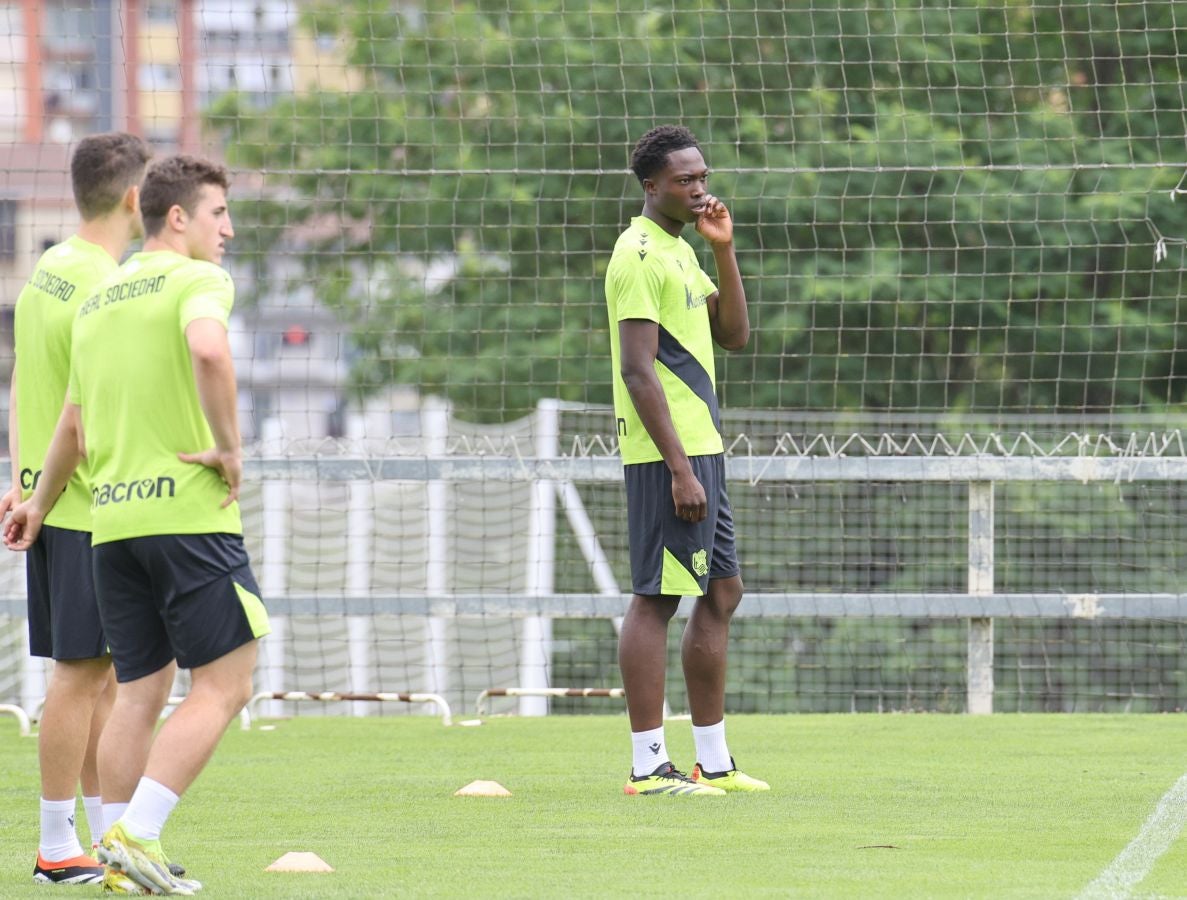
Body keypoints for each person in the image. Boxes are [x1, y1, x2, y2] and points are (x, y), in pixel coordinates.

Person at [6, 154, 269, 895]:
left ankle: (117, 851)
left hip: (111, 526)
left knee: (139, 689)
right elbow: (210, 349)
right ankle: (134, 831)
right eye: (219, 213)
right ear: (176, 217)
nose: (229, 230)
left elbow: (72, 420)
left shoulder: (98, 294)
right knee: (226, 683)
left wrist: (34, 498)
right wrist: (228, 446)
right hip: (186, 515)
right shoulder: (197, 280)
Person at [1, 132, 150, 885]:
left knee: (106, 678)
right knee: (79, 677)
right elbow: (87, 415)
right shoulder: (105, 285)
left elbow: (27, 371)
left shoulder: (49, 268)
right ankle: (56, 845)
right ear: (134, 198)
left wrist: (24, 482)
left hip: (53, 498)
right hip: (88, 505)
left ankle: (101, 837)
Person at [605, 125, 768, 796]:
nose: (698, 188)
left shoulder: (677, 250)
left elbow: (734, 336)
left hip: (704, 446)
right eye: (684, 180)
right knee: (657, 596)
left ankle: (713, 760)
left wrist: (723, 251)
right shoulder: (638, 254)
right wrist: (677, 467)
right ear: (651, 187)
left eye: (701, 176)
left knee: (722, 591)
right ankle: (648, 766)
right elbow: (637, 372)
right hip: (667, 454)